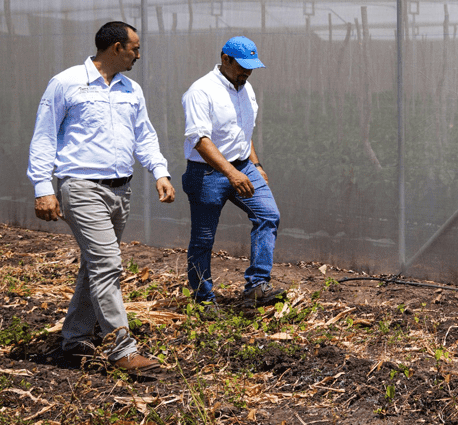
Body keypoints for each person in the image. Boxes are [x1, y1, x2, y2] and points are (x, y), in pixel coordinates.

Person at [28, 21, 174, 375]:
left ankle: (75, 338)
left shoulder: (131, 89)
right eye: (134, 49)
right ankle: (122, 350)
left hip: (120, 190)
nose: (138, 55)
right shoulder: (66, 83)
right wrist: (43, 188)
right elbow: (44, 135)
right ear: (116, 48)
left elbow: (144, 134)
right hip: (81, 187)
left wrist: (160, 171)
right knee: (108, 264)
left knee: (94, 265)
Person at [182, 35, 283, 310]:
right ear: (225, 59)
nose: (247, 73)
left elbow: (242, 132)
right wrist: (230, 174)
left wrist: (256, 165)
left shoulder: (246, 89)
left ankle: (257, 286)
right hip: (207, 173)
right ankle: (203, 300)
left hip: (243, 165)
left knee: (268, 215)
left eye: (252, 67)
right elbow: (200, 140)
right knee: (203, 239)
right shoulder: (201, 91)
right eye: (242, 66)